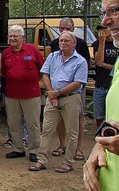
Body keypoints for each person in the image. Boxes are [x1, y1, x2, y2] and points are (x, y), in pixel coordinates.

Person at [84, 0, 119, 190]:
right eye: (104, 13)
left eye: (113, 11)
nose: (105, 21)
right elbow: (114, 123)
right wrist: (98, 148)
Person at [29, 31, 88, 173]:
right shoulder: (52, 56)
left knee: (72, 132)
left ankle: (68, 163)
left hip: (71, 98)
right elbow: (45, 75)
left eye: (67, 41)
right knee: (47, 130)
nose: (63, 43)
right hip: (52, 98)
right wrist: (53, 95)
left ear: (74, 43)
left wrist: (59, 93)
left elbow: (78, 83)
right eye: (61, 41)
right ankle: (41, 160)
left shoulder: (80, 61)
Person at [0, 25, 44, 163]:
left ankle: (34, 150)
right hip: (11, 94)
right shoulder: (6, 53)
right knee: (13, 123)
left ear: (22, 37)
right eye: (10, 36)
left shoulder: (33, 50)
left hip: (31, 94)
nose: (12, 39)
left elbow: (42, 70)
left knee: (33, 123)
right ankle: (18, 149)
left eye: (15, 36)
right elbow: (4, 72)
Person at [49, 17, 91, 161]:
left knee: (78, 118)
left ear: (73, 30)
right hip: (57, 89)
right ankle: (62, 145)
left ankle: (78, 149)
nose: (64, 31)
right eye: (62, 28)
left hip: (76, 89)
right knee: (59, 118)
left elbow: (87, 64)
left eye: (68, 28)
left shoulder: (82, 44)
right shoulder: (54, 44)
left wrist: (74, 84)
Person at [91, 25, 119, 128]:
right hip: (100, 85)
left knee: (114, 117)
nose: (102, 31)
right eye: (101, 29)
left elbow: (118, 68)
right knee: (99, 116)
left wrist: (105, 65)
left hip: (114, 86)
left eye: (105, 28)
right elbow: (98, 62)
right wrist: (102, 43)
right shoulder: (97, 44)